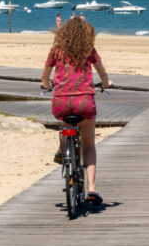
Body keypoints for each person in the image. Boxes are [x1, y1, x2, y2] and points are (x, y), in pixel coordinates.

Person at [41, 17, 111, 205]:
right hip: (84, 102)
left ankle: (63, 149)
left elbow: (45, 76)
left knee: (66, 122)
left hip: (62, 103)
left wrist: (46, 85)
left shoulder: (56, 51)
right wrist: (106, 83)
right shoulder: (89, 50)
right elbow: (103, 73)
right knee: (89, 146)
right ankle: (92, 188)